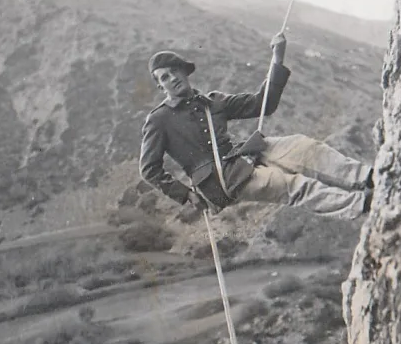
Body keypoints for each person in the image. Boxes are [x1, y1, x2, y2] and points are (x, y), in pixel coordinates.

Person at [139, 33, 373, 220]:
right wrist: (187, 195)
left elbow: (264, 104)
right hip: (223, 182)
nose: (172, 79)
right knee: (295, 186)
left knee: (304, 147)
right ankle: (364, 204)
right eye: (164, 78)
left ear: (183, 70)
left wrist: (277, 59)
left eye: (174, 72)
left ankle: (367, 177)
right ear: (161, 87)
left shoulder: (213, 102)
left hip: (245, 155)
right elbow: (149, 169)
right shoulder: (159, 119)